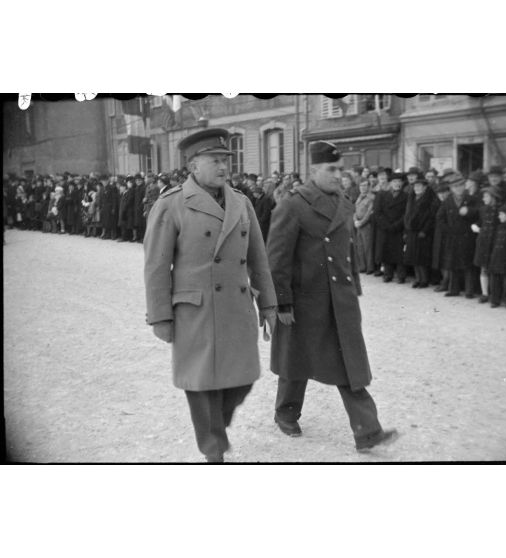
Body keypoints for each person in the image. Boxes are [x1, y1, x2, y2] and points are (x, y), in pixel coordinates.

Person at [143, 128, 277, 463]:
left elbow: (259, 258)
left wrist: (269, 303)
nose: (223, 166)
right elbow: (156, 266)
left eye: (225, 160)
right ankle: (213, 450)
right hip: (195, 310)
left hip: (235, 306)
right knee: (201, 385)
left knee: (243, 379)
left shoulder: (241, 202)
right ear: (193, 166)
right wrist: (160, 316)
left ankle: (216, 428)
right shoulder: (172, 203)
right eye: (214, 160)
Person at [266, 140, 397, 454]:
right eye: (331, 169)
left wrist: (354, 287)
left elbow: (347, 251)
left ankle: (368, 430)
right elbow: (277, 258)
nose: (338, 174)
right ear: (314, 170)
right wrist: (282, 301)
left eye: (341, 169)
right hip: (305, 300)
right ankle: (286, 412)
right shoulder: (293, 204)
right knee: (295, 360)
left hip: (339, 299)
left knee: (348, 363)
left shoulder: (345, 201)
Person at [436, 172, 479, 298]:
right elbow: (439, 218)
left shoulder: (472, 200)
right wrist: (448, 230)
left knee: (468, 265)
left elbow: (478, 213)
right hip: (453, 237)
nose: (458, 189)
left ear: (464, 186)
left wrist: (469, 212)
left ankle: (469, 290)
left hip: (467, 237)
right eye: (455, 187)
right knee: (453, 264)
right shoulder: (448, 201)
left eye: (460, 186)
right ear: (451, 189)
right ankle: (453, 289)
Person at [403, 176, 439, 288]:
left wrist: (424, 230)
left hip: (423, 232)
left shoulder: (429, 199)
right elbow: (407, 215)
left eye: (419, 186)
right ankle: (418, 278)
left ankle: (424, 279)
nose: (417, 188)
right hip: (412, 231)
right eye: (415, 186)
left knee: (421, 258)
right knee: (413, 257)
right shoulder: (412, 198)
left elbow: (431, 218)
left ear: (425, 188)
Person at [374, 171, 408, 283]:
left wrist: (396, 225)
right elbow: (378, 212)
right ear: (390, 183)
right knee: (386, 251)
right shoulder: (382, 195)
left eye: (399, 181)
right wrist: (386, 225)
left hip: (399, 228)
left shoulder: (407, 196)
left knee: (399, 253)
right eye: (394, 181)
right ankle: (388, 274)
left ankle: (401, 275)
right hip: (385, 228)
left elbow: (406, 214)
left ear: (402, 183)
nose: (397, 183)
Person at [472, 185, 501, 303]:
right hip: (483, 241)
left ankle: (496, 294)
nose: (484, 198)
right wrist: (475, 226)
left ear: (493, 197)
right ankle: (485, 293)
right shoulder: (482, 209)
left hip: (495, 242)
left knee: (494, 268)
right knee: (483, 268)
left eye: (486, 196)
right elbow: (480, 221)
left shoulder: (500, 209)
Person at [353, 180, 376, 274]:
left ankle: (370, 267)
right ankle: (362, 266)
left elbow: (369, 213)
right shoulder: (359, 197)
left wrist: (361, 222)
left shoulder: (371, 198)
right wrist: (355, 220)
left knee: (368, 247)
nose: (363, 187)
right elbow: (354, 210)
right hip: (358, 224)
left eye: (365, 185)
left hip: (367, 225)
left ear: (369, 186)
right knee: (360, 246)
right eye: (361, 185)